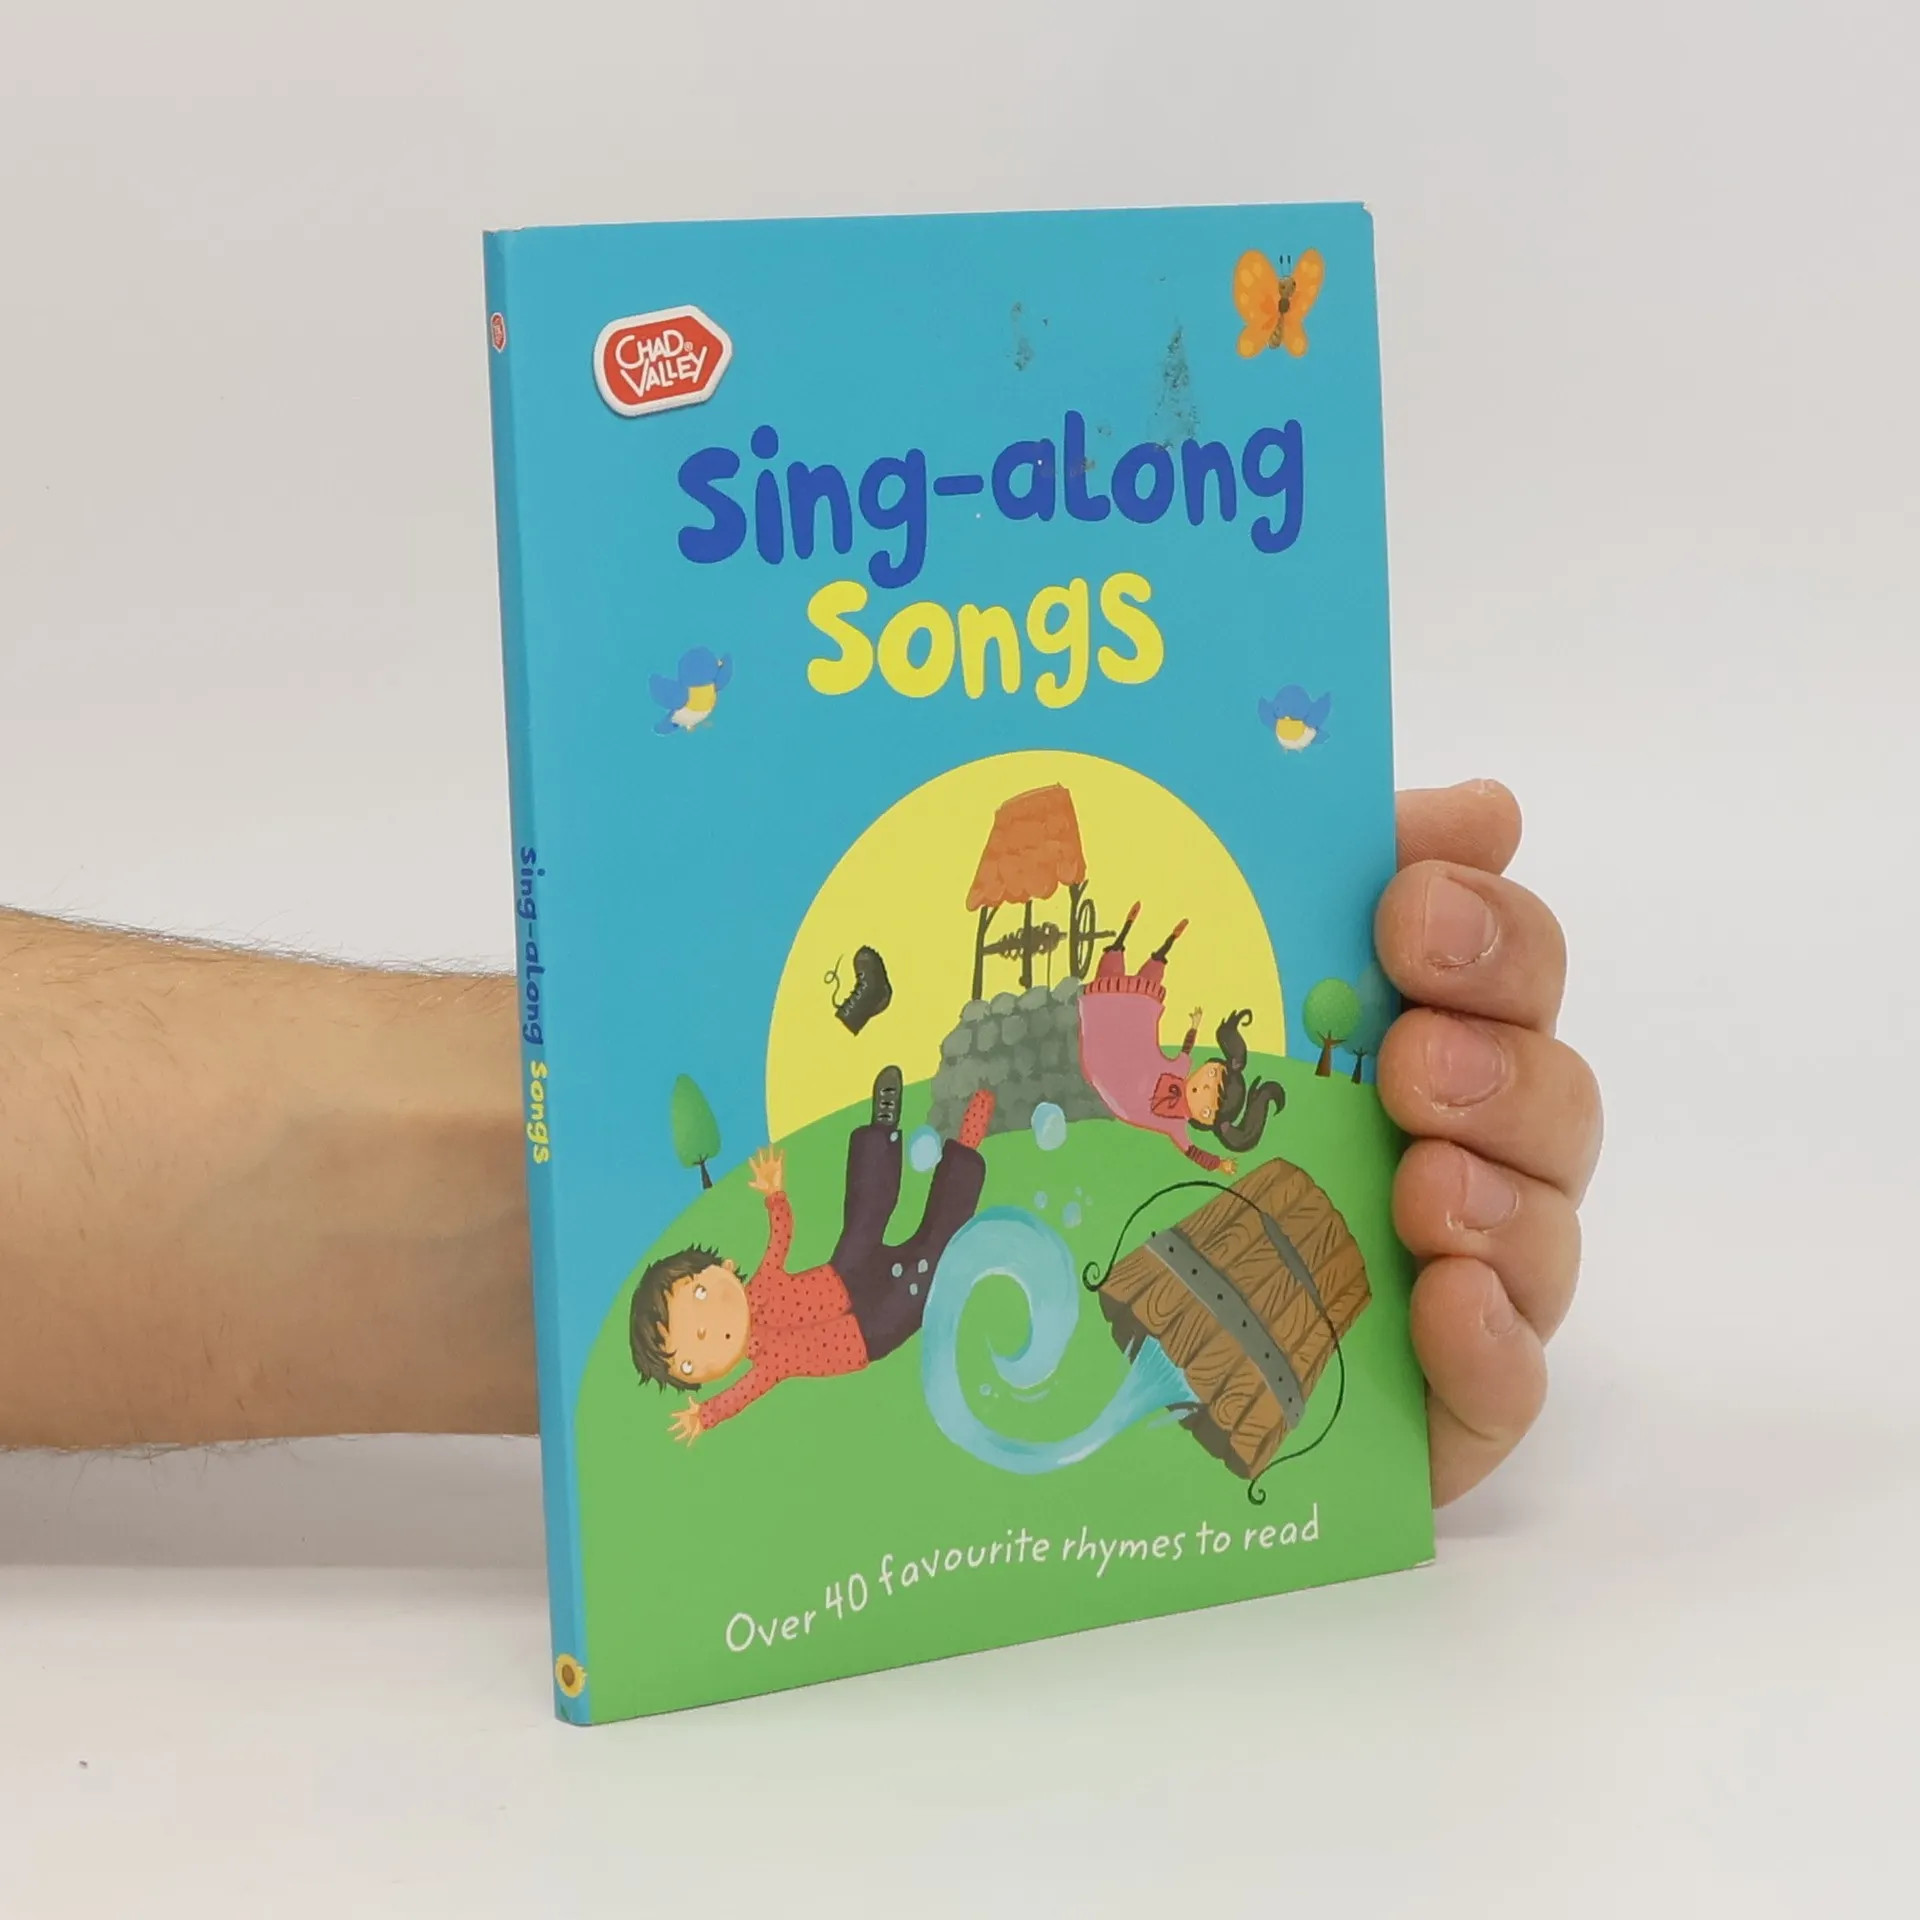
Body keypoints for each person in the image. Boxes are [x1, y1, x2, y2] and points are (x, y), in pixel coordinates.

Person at [0, 781, 1601, 1506]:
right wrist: (706, 1368)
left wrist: (574, 1182)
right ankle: (950, 1145)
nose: (708, 1328)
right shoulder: (751, 1350)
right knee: (915, 1205)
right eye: (695, 1332)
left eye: (690, 1322)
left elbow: (768, 1270)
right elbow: (762, 1344)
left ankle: (943, 1140)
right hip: (868, 1307)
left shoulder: (761, 1301)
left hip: (860, 1287)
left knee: (896, 1193)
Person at [629, 1072, 995, 1440]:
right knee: (933, 1258)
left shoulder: (763, 1286)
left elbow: (781, 1238)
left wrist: (775, 1196)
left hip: (846, 1273)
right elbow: (739, 1396)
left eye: (700, 1294)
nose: (705, 1331)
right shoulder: (768, 1364)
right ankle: (967, 1147)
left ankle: (882, 1128)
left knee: (866, 1213)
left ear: (726, 1267)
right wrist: (705, 1415)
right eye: (688, 1363)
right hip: (872, 1331)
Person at [1075, 903, 1284, 1174]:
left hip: (1117, 1085)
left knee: (1114, 1004)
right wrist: (1194, 1027)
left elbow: (1192, 1152)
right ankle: (1148, 943)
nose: (1203, 1083)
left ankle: (1137, 943)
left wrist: (1219, 1163)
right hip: (1134, 1056)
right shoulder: (1180, 1070)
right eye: (1212, 1074)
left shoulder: (1175, 1125)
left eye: (1209, 1094)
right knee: (1140, 1004)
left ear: (1206, 1117)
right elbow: (1186, 1049)